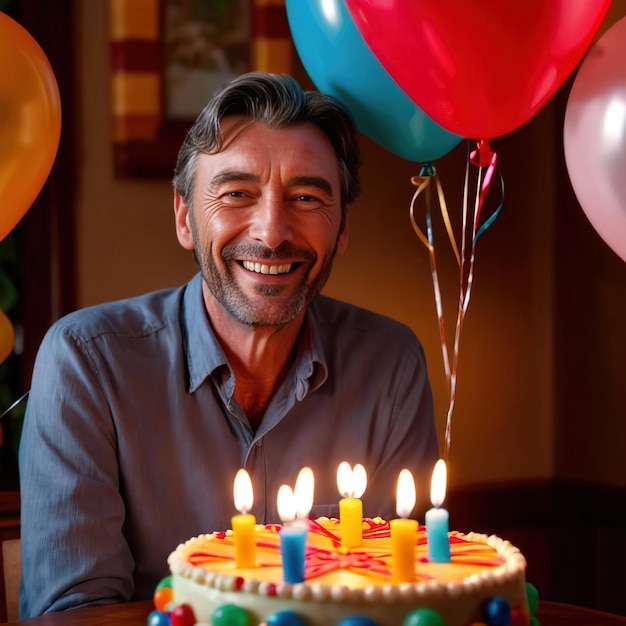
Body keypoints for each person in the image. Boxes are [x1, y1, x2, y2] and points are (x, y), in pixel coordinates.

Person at [18, 72, 439, 617]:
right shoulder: (86, 364)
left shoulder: (391, 365)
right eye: (237, 193)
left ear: (341, 231)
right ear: (184, 218)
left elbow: (397, 601)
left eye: (306, 196)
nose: (271, 231)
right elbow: (77, 616)